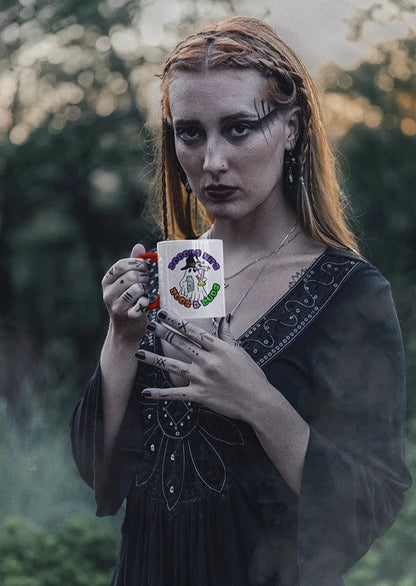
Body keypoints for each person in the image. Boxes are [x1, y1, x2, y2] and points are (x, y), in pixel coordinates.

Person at [71, 15, 411, 586]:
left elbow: (373, 499)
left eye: (238, 128)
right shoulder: (169, 275)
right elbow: (100, 474)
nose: (212, 162)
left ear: (292, 127)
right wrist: (121, 337)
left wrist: (259, 401)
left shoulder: (350, 294)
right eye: (191, 133)